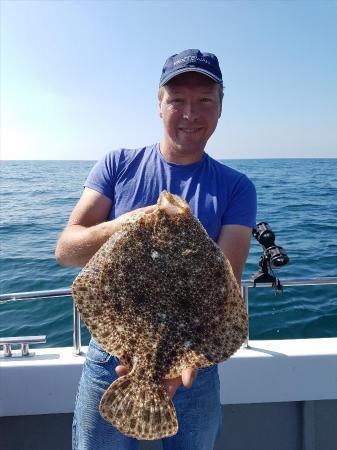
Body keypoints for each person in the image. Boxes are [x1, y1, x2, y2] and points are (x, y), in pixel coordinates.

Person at [55, 48, 257, 450]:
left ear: (220, 108)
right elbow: (67, 250)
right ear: (159, 103)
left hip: (194, 360)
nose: (190, 114)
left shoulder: (237, 187)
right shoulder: (118, 164)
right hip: (111, 357)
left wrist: (180, 361)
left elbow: (225, 285)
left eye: (204, 101)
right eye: (177, 100)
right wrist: (126, 224)